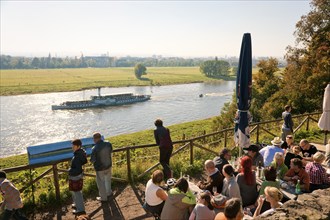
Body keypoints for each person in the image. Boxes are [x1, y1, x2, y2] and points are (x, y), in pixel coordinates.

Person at [90, 132, 113, 202]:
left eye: (93, 139)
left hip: (100, 168)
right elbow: (111, 151)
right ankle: (108, 193)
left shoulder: (94, 148)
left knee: (101, 183)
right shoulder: (108, 144)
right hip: (108, 166)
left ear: (95, 139)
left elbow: (92, 160)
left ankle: (103, 198)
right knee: (108, 180)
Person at [69, 139, 88, 214]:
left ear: (78, 146)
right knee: (76, 192)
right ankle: (77, 205)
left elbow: (76, 169)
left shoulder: (77, 156)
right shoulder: (81, 153)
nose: (72, 147)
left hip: (75, 176)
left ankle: (80, 209)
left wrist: (69, 171)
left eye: (73, 146)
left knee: (77, 192)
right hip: (78, 175)